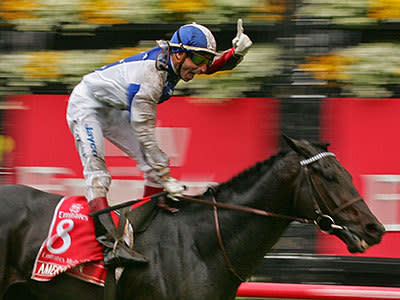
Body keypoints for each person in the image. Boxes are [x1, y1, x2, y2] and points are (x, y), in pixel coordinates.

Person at [66, 19, 253, 267]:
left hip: (113, 107)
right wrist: (167, 178)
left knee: (155, 167)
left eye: (204, 60)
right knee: (98, 174)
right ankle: (109, 244)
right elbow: (143, 132)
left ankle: (146, 230)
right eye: (198, 60)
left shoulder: (176, 62)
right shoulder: (150, 80)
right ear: (177, 54)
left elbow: (210, 66)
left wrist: (235, 54)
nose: (201, 68)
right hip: (87, 106)